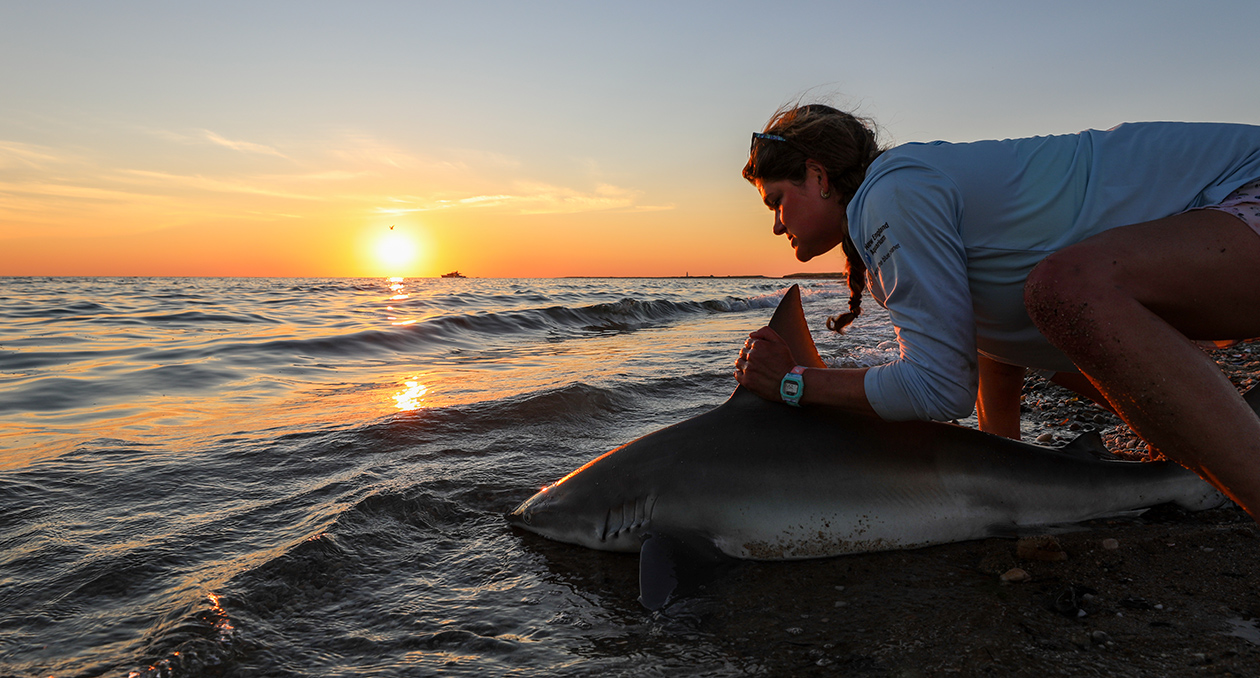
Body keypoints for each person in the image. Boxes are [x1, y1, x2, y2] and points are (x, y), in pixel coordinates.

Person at [733, 103, 1260, 520]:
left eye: (775, 200)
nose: (777, 225)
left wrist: (794, 383)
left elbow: (938, 389)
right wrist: (1004, 480)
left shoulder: (892, 194)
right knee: (1014, 318)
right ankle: (1218, 438)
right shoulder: (907, 196)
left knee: (1065, 290)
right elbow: (994, 354)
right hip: (1222, 228)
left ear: (818, 175)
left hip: (1243, 188)